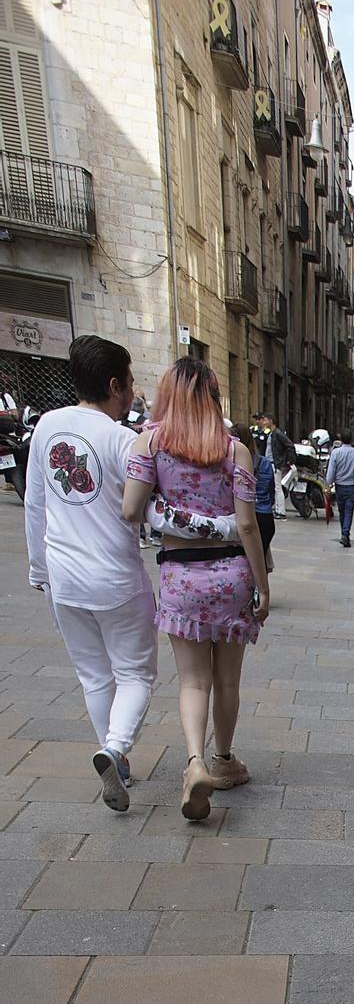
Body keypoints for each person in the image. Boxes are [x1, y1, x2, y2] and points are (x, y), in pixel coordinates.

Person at [122, 358, 269, 821]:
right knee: (228, 679)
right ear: (213, 399)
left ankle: (194, 763)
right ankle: (224, 759)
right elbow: (247, 525)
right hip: (230, 575)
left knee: (192, 680)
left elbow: (130, 508)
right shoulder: (234, 451)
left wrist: (165, 510)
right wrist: (263, 586)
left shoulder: (151, 443)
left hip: (180, 576)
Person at [24, 333, 157, 812]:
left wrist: (39, 569)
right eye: (130, 385)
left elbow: (35, 504)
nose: (132, 394)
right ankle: (115, 748)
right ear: (114, 384)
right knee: (136, 674)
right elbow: (146, 511)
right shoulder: (124, 440)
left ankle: (115, 764)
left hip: (63, 577)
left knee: (95, 677)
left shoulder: (45, 426)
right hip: (116, 577)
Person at [326, 430, 354, 545]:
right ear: (352, 439)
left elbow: (331, 470)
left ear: (341, 439)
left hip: (340, 486)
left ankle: (344, 533)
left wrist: (328, 483)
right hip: (353, 486)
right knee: (349, 511)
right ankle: (345, 533)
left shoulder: (335, 453)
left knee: (342, 510)